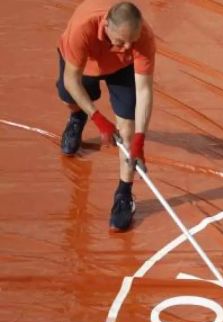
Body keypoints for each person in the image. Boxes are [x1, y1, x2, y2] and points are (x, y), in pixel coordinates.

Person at [57, 0, 155, 231]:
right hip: (84, 65)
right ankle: (77, 118)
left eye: (132, 41)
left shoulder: (143, 38)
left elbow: (144, 91)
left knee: (128, 131)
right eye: (121, 41)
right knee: (68, 96)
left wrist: (139, 140)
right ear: (107, 26)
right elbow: (71, 81)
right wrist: (98, 118)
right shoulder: (82, 29)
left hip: (122, 69)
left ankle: (124, 194)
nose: (127, 46)